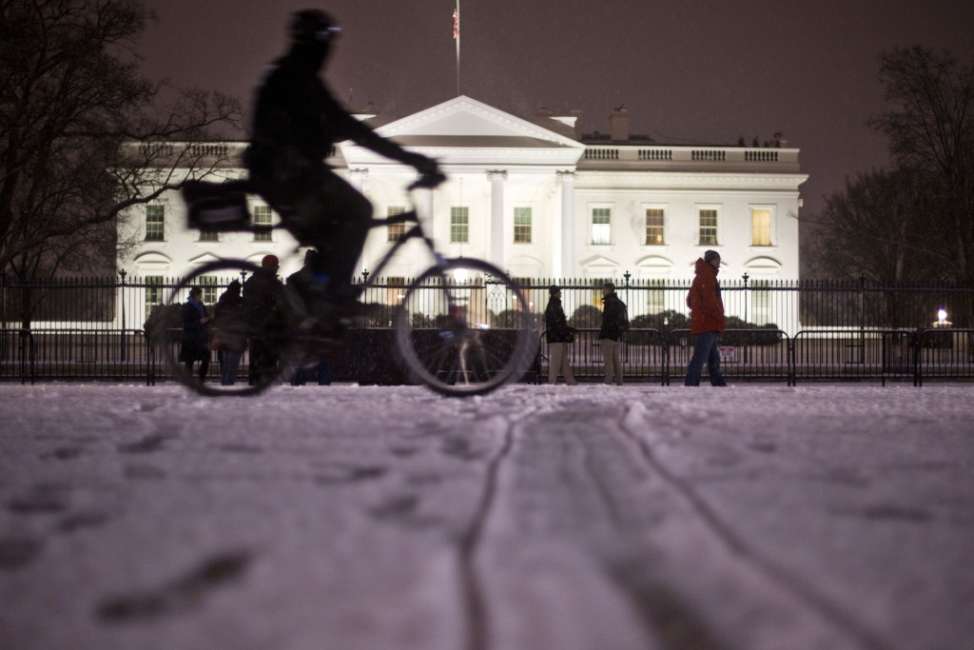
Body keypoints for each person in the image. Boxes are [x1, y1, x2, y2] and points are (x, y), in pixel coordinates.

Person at [245, 9, 441, 310]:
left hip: (282, 172)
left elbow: (342, 125)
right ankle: (336, 295)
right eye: (326, 44)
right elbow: (350, 127)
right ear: (317, 43)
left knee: (333, 230)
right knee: (359, 210)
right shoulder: (297, 78)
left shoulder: (290, 74)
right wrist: (411, 159)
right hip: (285, 172)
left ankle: (315, 298)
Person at [685, 250, 728, 386]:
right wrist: (719, 317)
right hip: (708, 323)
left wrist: (698, 311)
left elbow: (690, 300)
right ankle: (691, 384)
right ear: (711, 261)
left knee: (713, 357)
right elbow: (710, 301)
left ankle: (718, 382)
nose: (719, 263)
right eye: (717, 260)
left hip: (705, 322)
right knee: (700, 358)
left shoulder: (701, 276)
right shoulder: (707, 276)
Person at [244, 255, 285, 384]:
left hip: (258, 327)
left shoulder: (251, 282)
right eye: (276, 266)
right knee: (268, 358)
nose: (277, 268)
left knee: (258, 357)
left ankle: (256, 382)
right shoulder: (271, 283)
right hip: (269, 326)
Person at [212, 280, 246, 385]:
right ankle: (229, 382)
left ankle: (225, 382)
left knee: (226, 361)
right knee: (233, 362)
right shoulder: (239, 302)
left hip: (224, 334)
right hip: (236, 335)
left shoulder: (222, 301)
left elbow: (216, 318)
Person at [544, 285, 576, 385]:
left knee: (563, 360)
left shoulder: (554, 304)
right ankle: (552, 382)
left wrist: (567, 329)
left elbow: (558, 322)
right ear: (556, 293)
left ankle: (570, 381)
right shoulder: (554, 305)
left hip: (557, 336)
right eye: (559, 292)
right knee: (556, 361)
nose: (561, 293)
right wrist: (567, 329)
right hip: (556, 337)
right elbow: (557, 323)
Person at [598, 281, 628, 385]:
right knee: (616, 361)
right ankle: (619, 381)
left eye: (603, 289)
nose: (602, 291)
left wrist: (605, 331)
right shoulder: (619, 302)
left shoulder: (609, 302)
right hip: (616, 335)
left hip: (609, 335)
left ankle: (608, 382)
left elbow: (608, 320)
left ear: (608, 289)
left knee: (608, 361)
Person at [179, 286, 210, 381]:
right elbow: (185, 324)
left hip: (201, 337)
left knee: (206, 357)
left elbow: (205, 317)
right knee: (189, 361)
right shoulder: (187, 307)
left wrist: (208, 319)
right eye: (200, 294)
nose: (201, 296)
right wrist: (199, 322)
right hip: (191, 338)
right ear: (195, 295)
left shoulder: (201, 306)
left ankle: (201, 379)